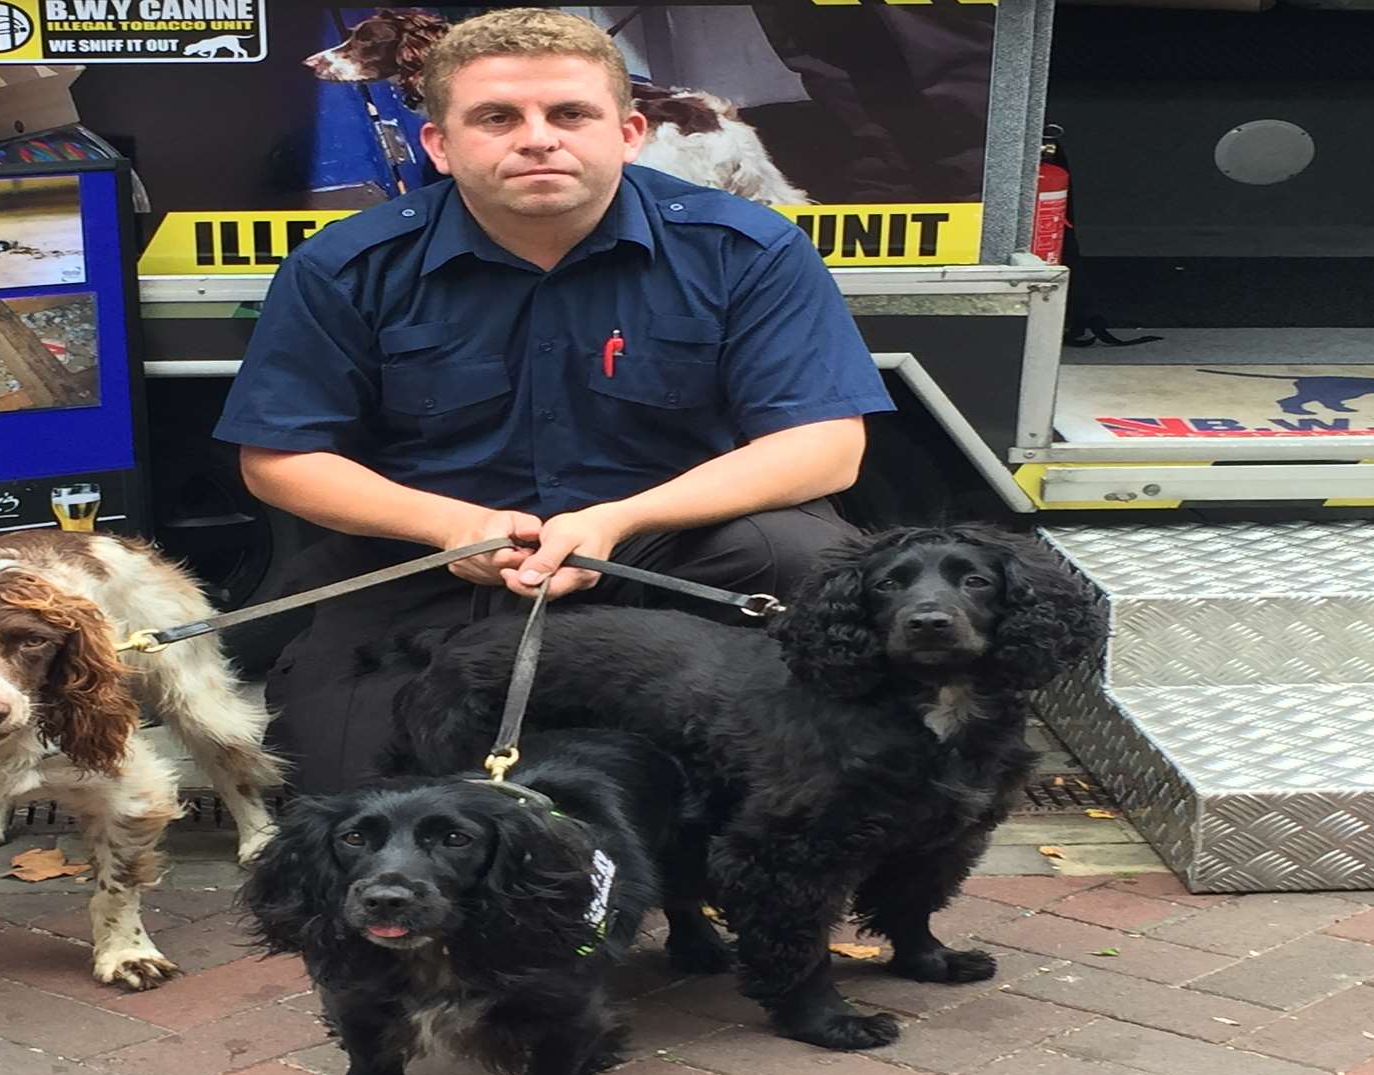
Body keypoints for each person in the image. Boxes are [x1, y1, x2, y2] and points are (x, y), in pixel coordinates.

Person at [212, 7, 895, 794]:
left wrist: (619, 520)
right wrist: (452, 527)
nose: (538, 138)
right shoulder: (346, 264)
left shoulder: (746, 250)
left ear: (631, 132)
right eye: (496, 117)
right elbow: (280, 459)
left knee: (809, 565)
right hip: (439, 563)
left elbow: (826, 446)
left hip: (661, 552)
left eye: (570, 113)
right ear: (438, 144)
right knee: (349, 800)